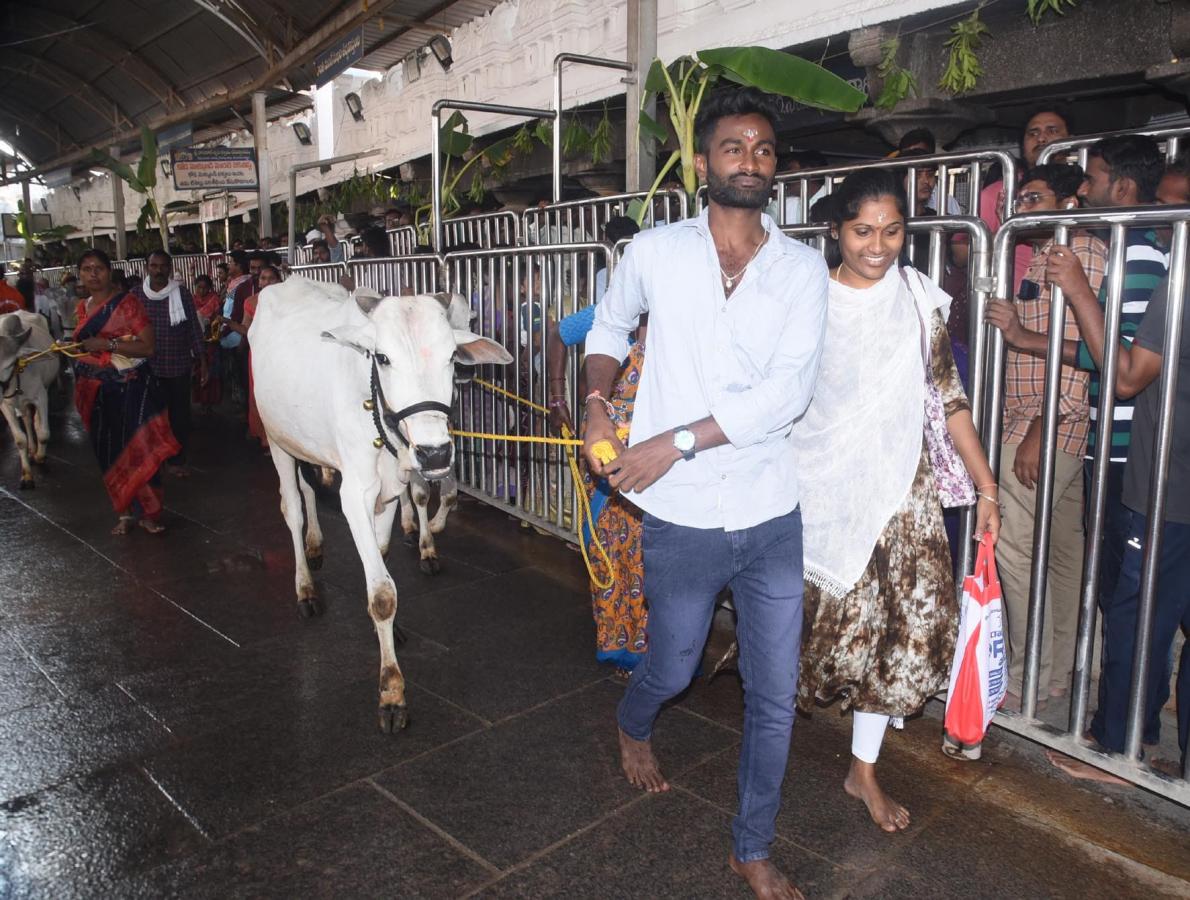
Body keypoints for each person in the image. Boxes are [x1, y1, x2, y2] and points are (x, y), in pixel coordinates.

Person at [583, 86, 828, 899]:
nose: (750, 161)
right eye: (734, 147)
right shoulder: (655, 251)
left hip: (767, 512)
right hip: (681, 517)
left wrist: (675, 439)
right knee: (673, 666)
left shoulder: (798, 269)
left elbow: (786, 396)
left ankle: (751, 845)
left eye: (763, 150)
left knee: (775, 693)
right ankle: (631, 721)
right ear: (703, 164)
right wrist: (595, 404)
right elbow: (610, 329)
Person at [790, 168, 999, 833]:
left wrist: (986, 486)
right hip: (823, 491)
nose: (877, 246)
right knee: (830, 642)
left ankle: (865, 769)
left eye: (892, 231)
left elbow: (949, 397)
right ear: (834, 230)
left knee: (910, 632)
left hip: (906, 497)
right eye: (861, 231)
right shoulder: (808, 302)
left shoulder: (915, 299)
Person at [984, 164, 1107, 709]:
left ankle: (1024, 671)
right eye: (1020, 198)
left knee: (1013, 547)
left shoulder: (1080, 254)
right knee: (1060, 550)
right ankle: (1062, 669)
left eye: (1034, 199)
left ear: (1071, 201)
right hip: (1033, 418)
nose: (1022, 208)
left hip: (1048, 420)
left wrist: (1045, 423)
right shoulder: (1041, 254)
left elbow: (1087, 347)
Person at [545, 222, 646, 676]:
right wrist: (556, 394)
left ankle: (655, 649)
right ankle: (619, 646)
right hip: (608, 455)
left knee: (653, 559)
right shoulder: (608, 313)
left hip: (662, 463)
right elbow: (558, 333)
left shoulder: (687, 322)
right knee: (610, 550)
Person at [71, 249, 179, 535]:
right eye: (86, 268)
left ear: (109, 272)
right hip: (96, 394)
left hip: (130, 390)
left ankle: (151, 513)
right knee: (109, 451)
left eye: (99, 268)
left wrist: (107, 346)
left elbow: (147, 347)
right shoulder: (82, 307)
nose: (93, 274)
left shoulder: (128, 304)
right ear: (80, 274)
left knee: (141, 448)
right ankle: (124, 513)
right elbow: (84, 344)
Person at [980, 107, 1074, 297]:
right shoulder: (997, 193)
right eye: (1033, 133)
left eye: (1052, 131)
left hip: (1068, 306)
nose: (1041, 139)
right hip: (1008, 310)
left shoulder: (1085, 188)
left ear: (1070, 139)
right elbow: (963, 256)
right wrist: (1005, 231)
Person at [131, 251, 207, 475]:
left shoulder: (181, 293)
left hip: (177, 366)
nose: (158, 270)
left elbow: (193, 327)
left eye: (163, 266)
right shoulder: (136, 295)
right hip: (146, 367)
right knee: (150, 417)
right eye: (153, 266)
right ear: (147, 268)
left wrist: (202, 359)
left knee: (179, 417)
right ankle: (153, 459)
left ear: (170, 268)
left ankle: (176, 461)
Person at [224, 264, 282, 449]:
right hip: (258, 354)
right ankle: (266, 438)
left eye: (270, 278)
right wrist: (229, 323)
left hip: (281, 353)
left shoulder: (287, 300)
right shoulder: (251, 302)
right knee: (260, 395)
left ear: (279, 280)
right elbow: (246, 330)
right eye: (263, 278)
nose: (266, 282)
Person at [220, 250, 255, 405]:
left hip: (237, 334)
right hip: (231, 331)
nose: (229, 265)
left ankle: (245, 410)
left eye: (231, 263)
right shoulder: (236, 283)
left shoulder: (243, 285)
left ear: (239, 266)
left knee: (241, 375)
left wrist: (226, 329)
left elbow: (238, 312)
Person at [191, 274, 222, 411]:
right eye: (199, 288)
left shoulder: (214, 300)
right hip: (195, 341)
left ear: (210, 288)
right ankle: (200, 401)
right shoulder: (190, 300)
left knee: (211, 370)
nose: (202, 291)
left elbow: (217, 319)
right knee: (197, 371)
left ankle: (211, 402)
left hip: (211, 340)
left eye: (205, 288)